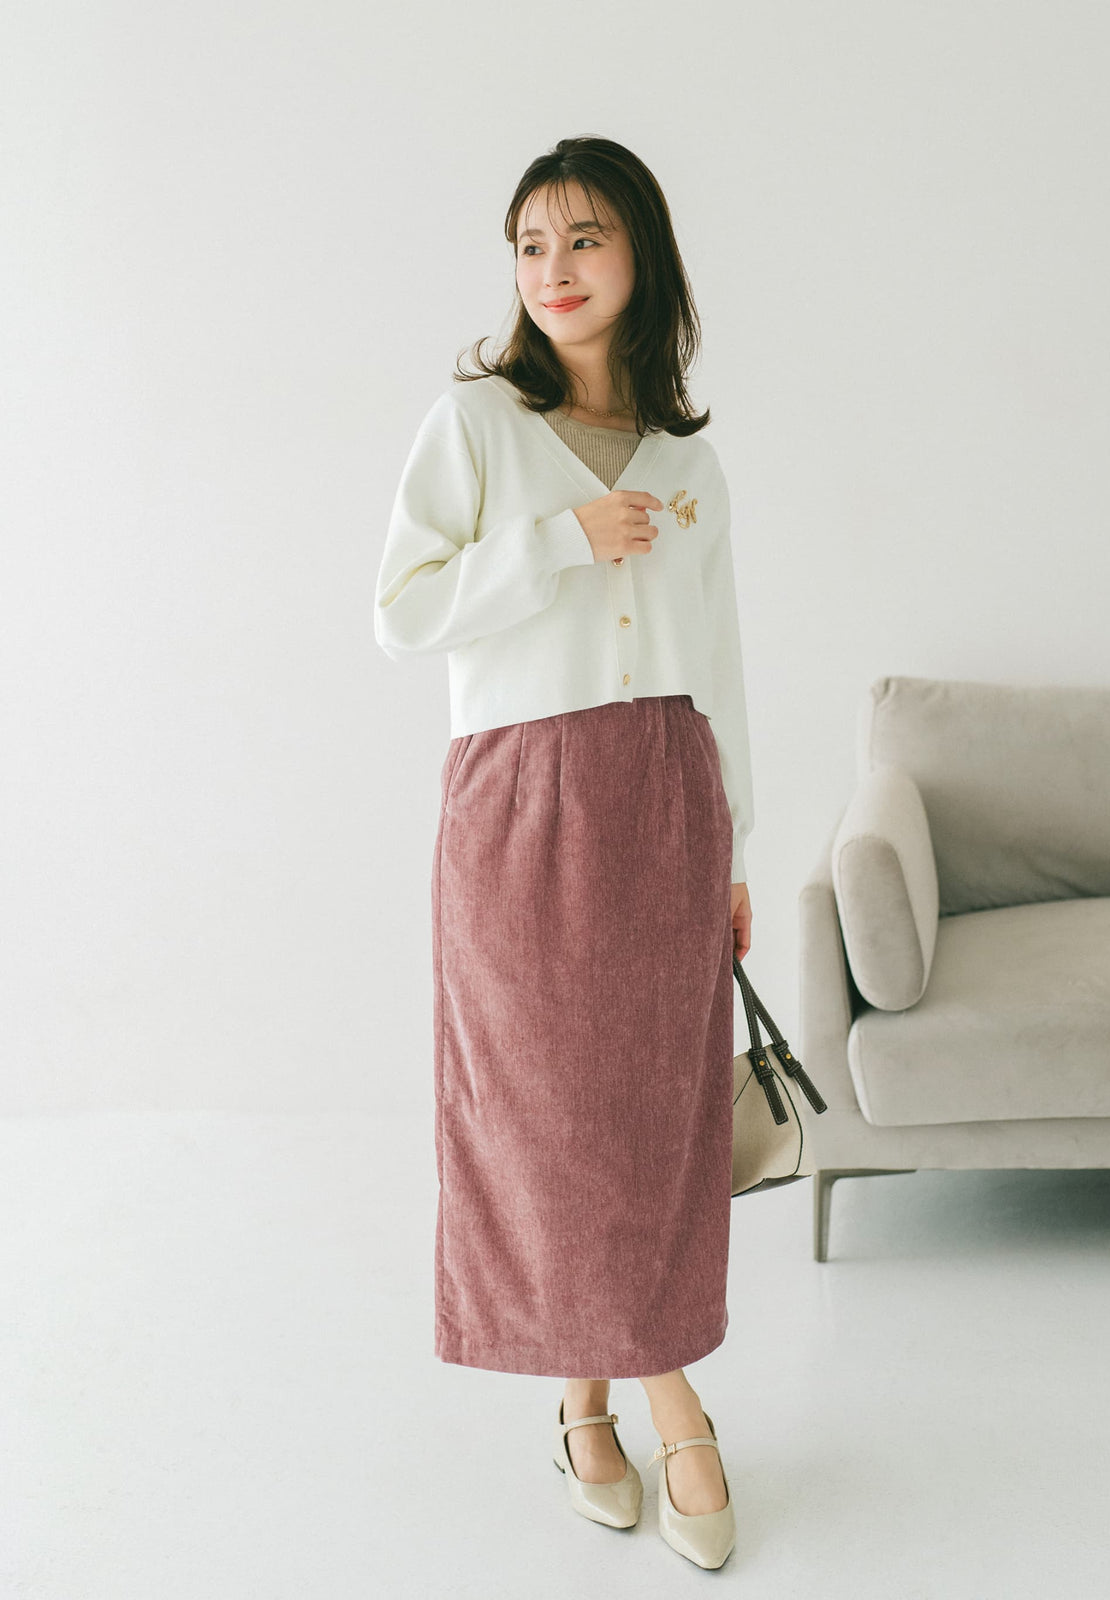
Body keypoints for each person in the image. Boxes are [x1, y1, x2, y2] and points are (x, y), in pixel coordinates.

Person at [374, 135, 754, 1570]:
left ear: (641, 255)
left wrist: (737, 843)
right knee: (548, 1115)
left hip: (668, 789)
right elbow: (401, 611)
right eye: (532, 245)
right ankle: (674, 1401)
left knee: (652, 1114)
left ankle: (584, 1407)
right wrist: (557, 541)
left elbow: (722, 660)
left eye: (585, 239)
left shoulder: (691, 460)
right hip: (522, 798)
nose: (554, 270)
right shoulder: (475, 423)